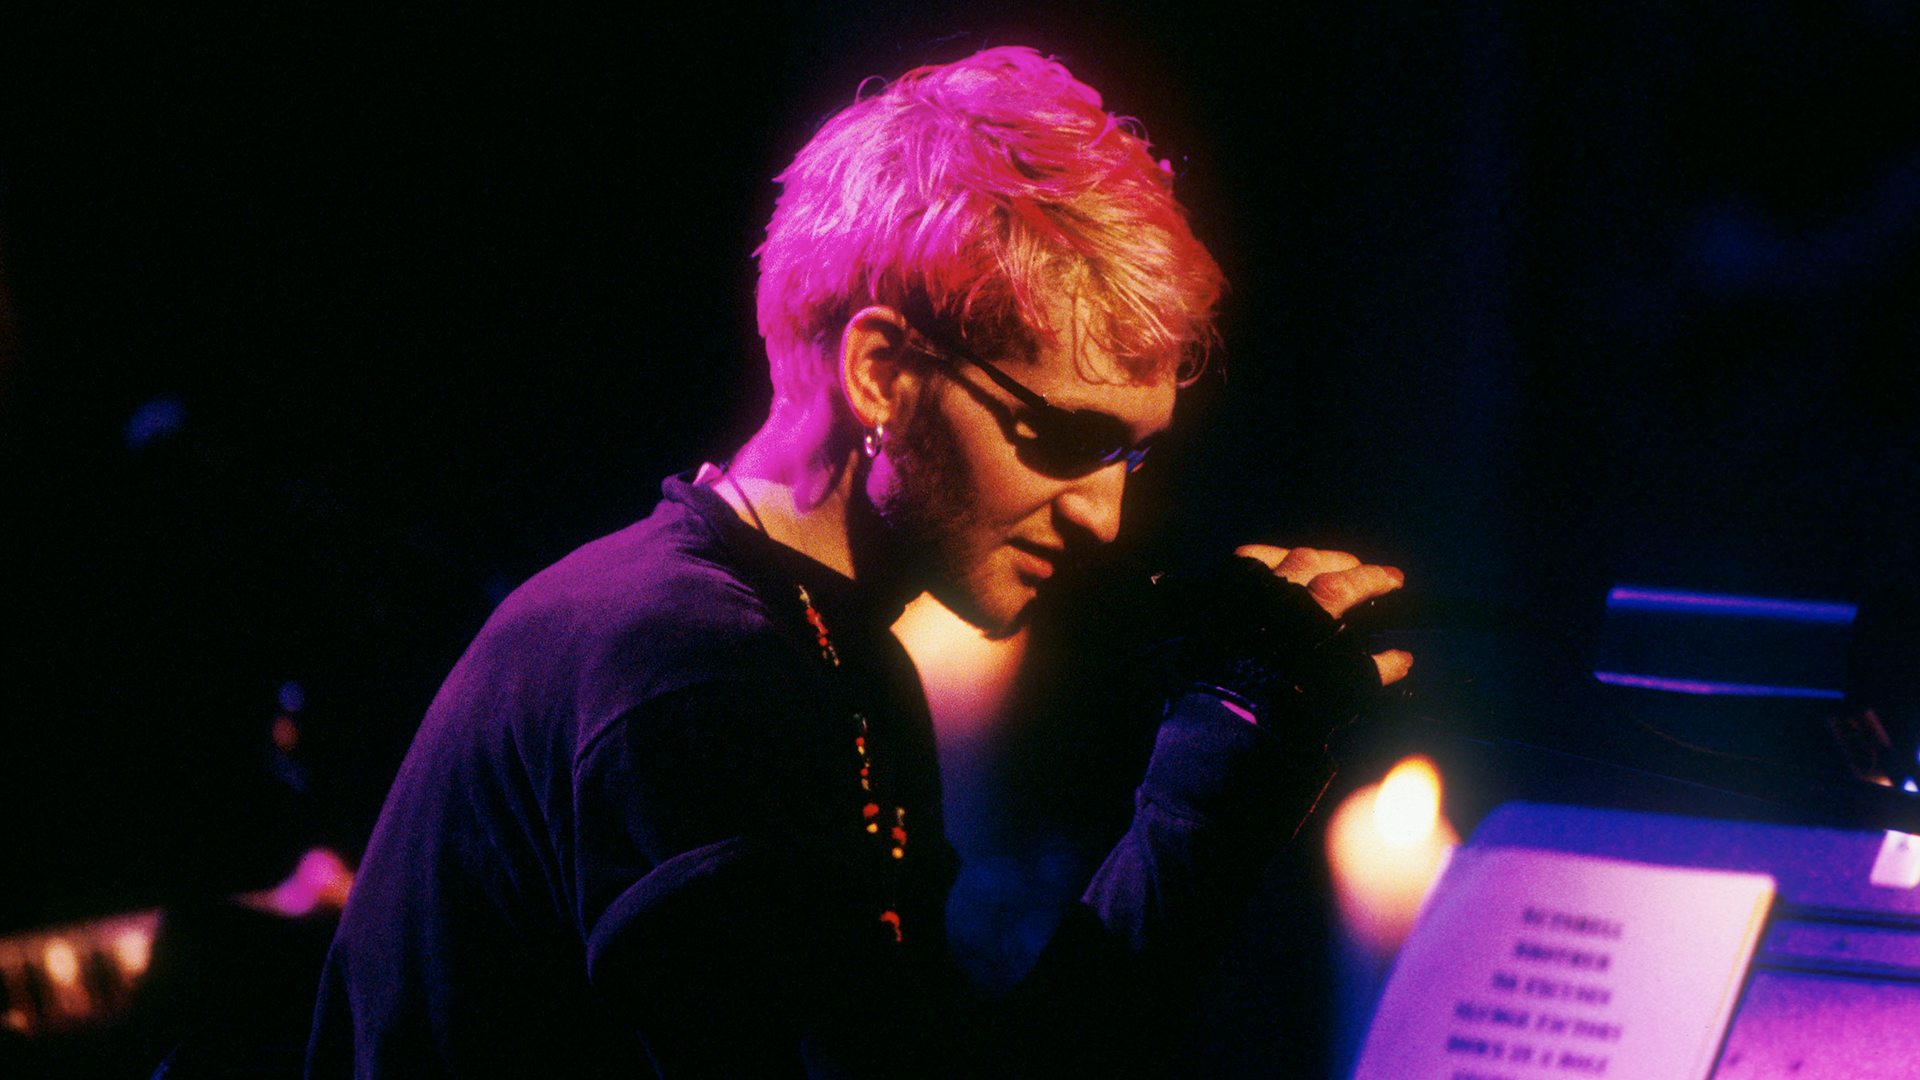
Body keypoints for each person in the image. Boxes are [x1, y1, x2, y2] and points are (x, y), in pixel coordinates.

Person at [304, 45, 1410, 1078]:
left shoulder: (821, 657)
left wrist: (1220, 792)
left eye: (1129, 454)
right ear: (880, 373)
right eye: (1065, 438)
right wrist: (1203, 809)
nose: (1105, 518)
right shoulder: (688, 671)